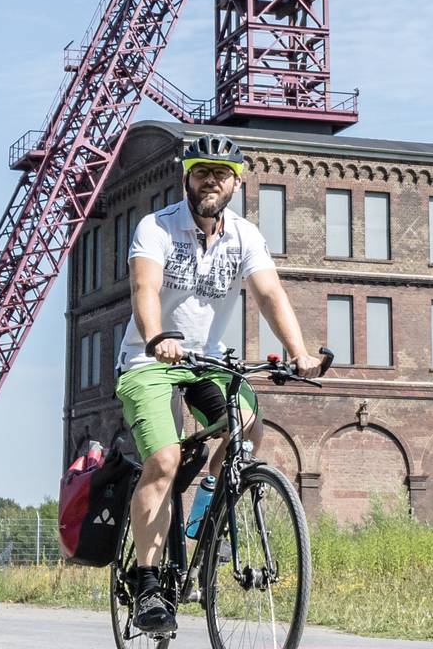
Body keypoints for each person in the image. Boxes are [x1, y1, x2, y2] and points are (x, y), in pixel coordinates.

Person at [116, 133, 327, 636]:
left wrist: (299, 353)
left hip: (206, 361)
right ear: (186, 177)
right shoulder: (157, 227)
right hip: (149, 360)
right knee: (163, 461)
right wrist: (156, 335)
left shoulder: (245, 237)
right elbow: (144, 287)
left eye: (221, 173)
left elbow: (270, 292)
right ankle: (147, 586)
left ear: (237, 181)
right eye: (201, 171)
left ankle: (209, 504)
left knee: (249, 426)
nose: (211, 180)